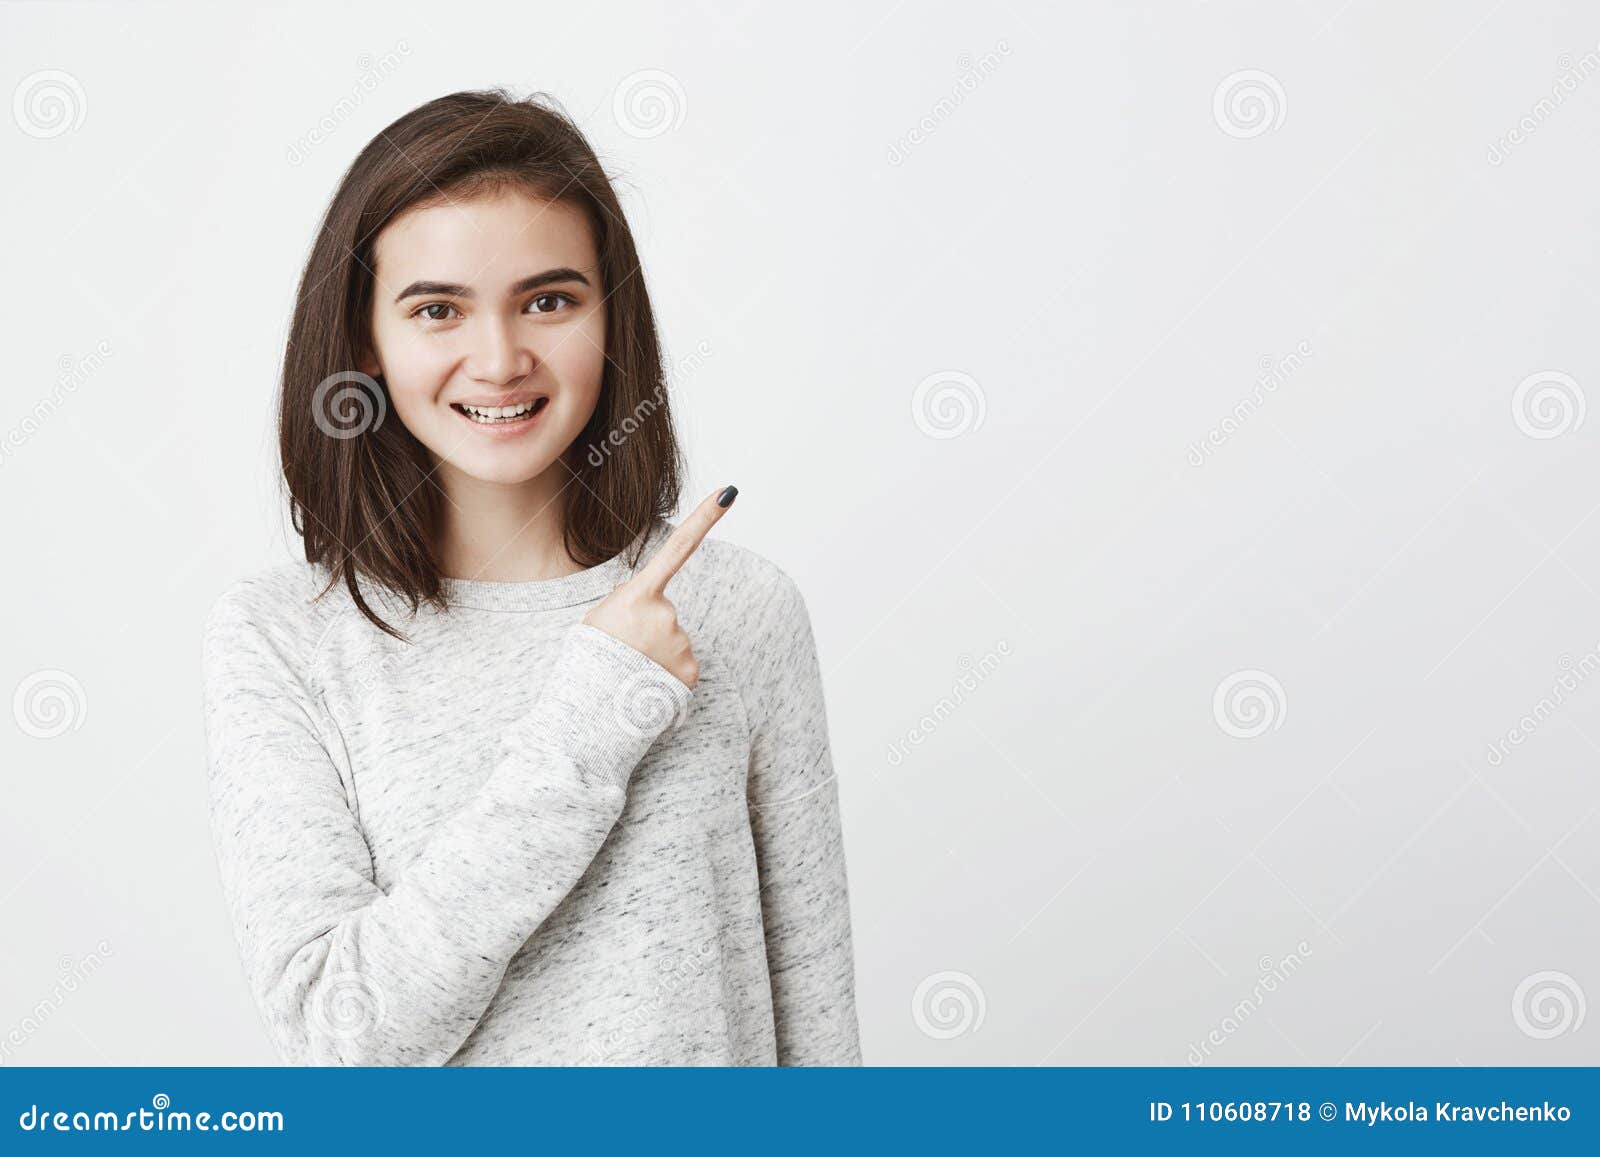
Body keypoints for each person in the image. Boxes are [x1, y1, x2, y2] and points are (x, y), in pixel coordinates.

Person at [200, 88, 861, 1066]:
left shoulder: (736, 607)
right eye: (437, 309)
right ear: (365, 344)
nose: (501, 359)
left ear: (610, 317)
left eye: (548, 300)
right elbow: (341, 1040)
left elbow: (816, 1018)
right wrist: (593, 712)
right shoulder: (283, 637)